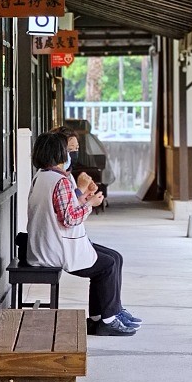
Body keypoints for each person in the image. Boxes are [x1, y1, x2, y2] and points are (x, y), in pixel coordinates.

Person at [27, 131, 140, 336]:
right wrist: (90, 204)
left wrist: (83, 198)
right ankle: (107, 319)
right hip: (55, 249)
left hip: (47, 245)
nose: (69, 154)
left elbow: (62, 209)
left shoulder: (42, 177)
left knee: (113, 257)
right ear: (58, 153)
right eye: (66, 150)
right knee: (107, 265)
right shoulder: (59, 180)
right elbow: (69, 218)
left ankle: (102, 316)